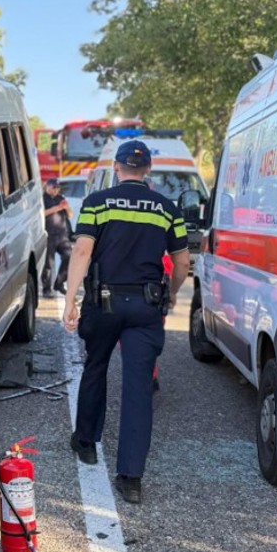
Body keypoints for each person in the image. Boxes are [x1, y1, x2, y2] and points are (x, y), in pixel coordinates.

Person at [61, 140, 190, 505]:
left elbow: (83, 250)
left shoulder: (96, 203)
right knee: (138, 387)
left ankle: (85, 441)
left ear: (117, 168)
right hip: (146, 308)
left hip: (104, 303)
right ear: (147, 170)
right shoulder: (166, 208)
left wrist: (71, 299)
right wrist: (174, 293)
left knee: (96, 367)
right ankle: (131, 477)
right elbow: (181, 262)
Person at [41, 178, 72, 296]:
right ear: (47, 187)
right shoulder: (42, 199)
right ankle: (46, 289)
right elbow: (41, 213)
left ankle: (59, 283)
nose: (56, 190)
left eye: (57, 188)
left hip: (62, 234)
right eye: (54, 187)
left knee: (69, 257)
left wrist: (66, 207)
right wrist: (56, 208)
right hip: (49, 235)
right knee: (48, 263)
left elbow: (70, 215)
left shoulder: (61, 199)